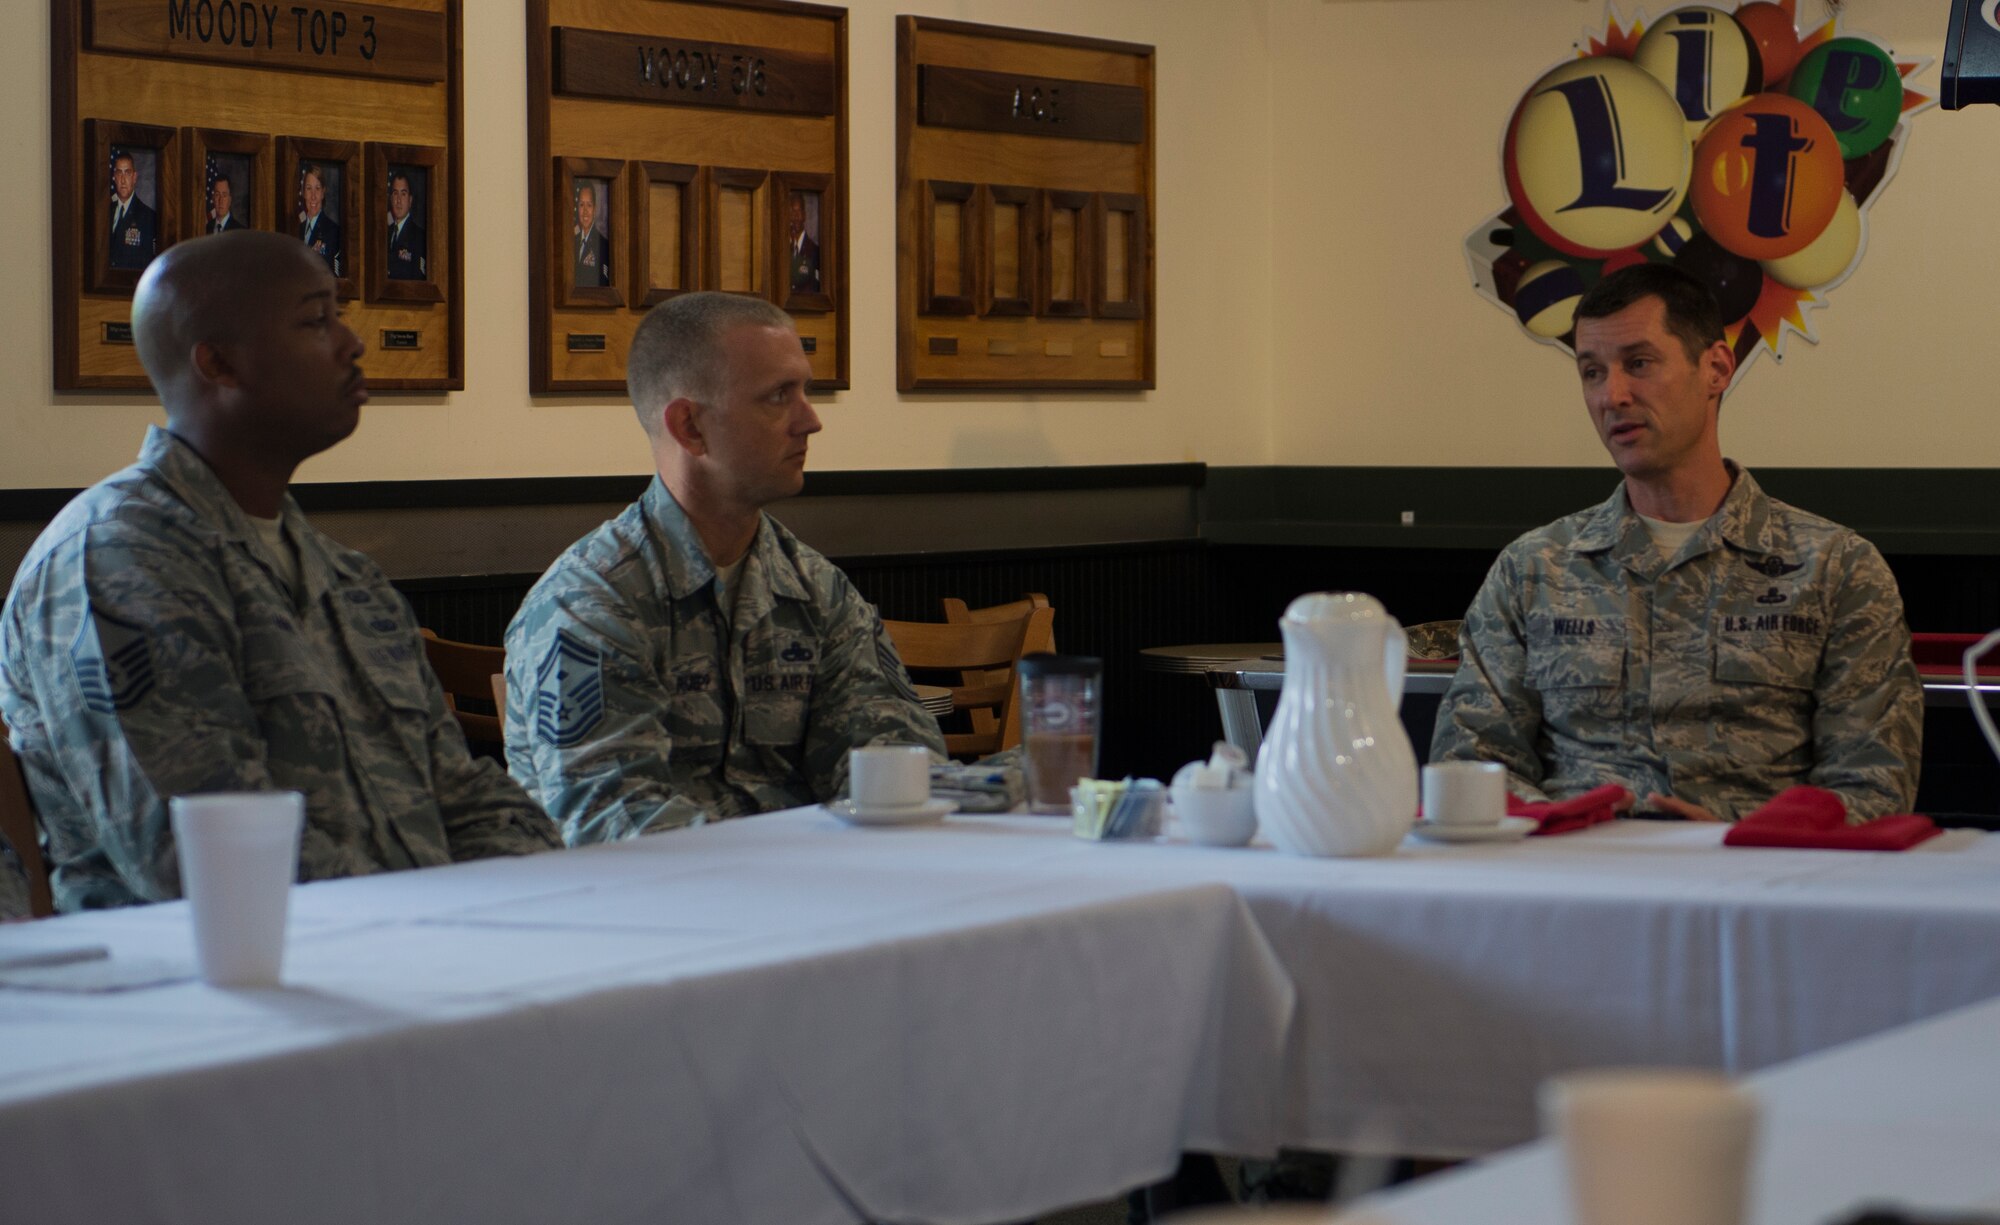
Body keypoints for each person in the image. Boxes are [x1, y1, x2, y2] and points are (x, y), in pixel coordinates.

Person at [0, 232, 560, 912]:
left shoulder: (347, 579)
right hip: (223, 988)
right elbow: (204, 857)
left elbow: (470, 797)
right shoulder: (119, 561)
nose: (352, 344)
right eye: (316, 320)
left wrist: (528, 898)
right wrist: (440, 915)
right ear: (219, 363)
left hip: (424, 956)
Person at [1431, 263, 1920, 822]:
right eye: (1592, 372)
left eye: (1638, 364)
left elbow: (1875, 785)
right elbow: (1470, 763)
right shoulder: (1533, 570)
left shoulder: (1835, 570)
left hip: (1760, 887)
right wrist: (1578, 832)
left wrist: (1739, 840)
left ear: (1715, 368)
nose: (1612, 395)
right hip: (1578, 881)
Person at [505, 292, 944, 844]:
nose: (810, 421)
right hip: (643, 913)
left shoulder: (815, 589)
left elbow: (896, 764)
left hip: (809, 899)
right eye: (779, 396)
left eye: (804, 391)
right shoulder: (591, 602)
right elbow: (611, 820)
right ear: (689, 426)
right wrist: (800, 866)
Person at [107, 150, 158, 270]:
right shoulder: (103, 213)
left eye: (127, 173)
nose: (123, 180)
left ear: (134, 177)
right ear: (114, 177)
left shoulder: (148, 217)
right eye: (119, 173)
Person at [298, 163, 343, 277]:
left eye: (317, 189)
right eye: (309, 188)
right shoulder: (296, 228)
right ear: (303, 193)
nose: (313, 196)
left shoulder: (333, 231)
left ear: (323, 192)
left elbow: (336, 276)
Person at [385, 170, 427, 280]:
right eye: (395, 193)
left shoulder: (419, 237)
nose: (398, 200)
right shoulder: (384, 234)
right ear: (390, 198)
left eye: (403, 194)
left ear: (410, 200)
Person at [572, 182, 609, 288]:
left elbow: (604, 285)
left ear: (595, 209)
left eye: (589, 205)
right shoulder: (571, 243)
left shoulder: (603, 245)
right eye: (581, 205)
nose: (585, 211)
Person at [786, 193, 820, 293]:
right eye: (792, 211)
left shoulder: (814, 250)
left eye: (799, 211)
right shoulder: (781, 250)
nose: (796, 216)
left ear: (804, 215)